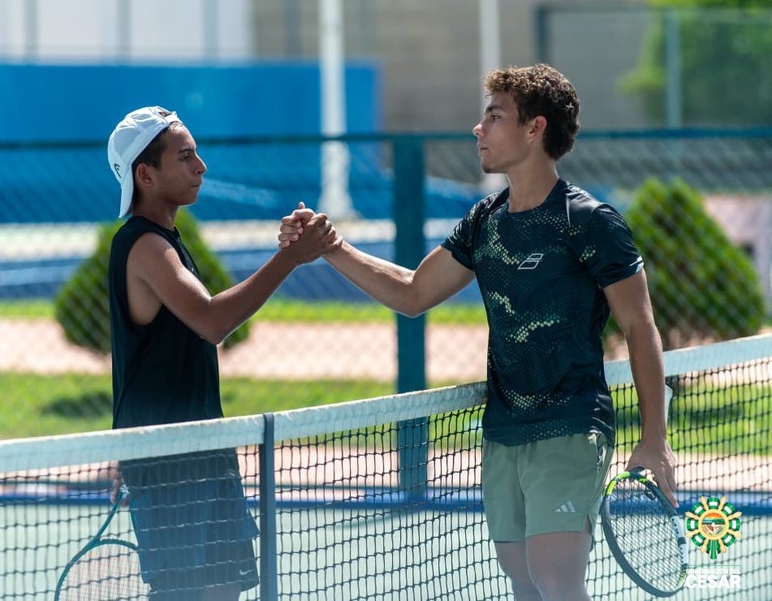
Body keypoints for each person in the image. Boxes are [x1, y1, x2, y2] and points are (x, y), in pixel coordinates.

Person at [279, 64, 677, 601]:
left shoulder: (590, 221)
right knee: (524, 581)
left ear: (534, 129)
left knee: (556, 578)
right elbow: (413, 292)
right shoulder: (484, 220)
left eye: (494, 116)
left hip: (571, 424)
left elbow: (640, 326)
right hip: (503, 431)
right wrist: (333, 247)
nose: (478, 128)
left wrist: (655, 440)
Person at [107, 105, 339, 601]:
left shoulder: (169, 241)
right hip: (168, 459)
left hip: (206, 449)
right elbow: (214, 322)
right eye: (185, 156)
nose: (201, 166)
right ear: (145, 174)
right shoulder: (144, 247)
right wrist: (290, 258)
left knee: (219, 592)